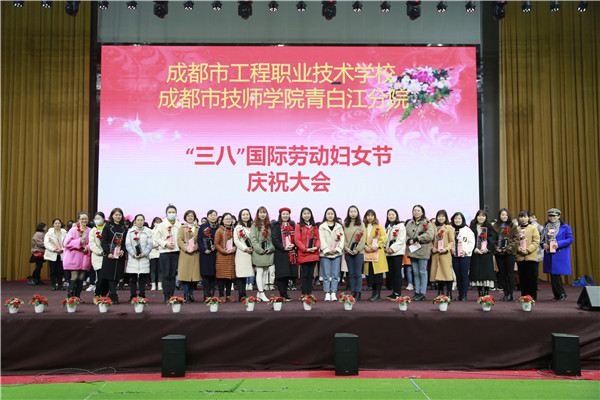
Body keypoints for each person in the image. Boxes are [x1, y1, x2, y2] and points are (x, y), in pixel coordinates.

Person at [542, 208, 573, 301]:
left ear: (559, 216)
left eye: (554, 216)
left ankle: (561, 293)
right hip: (549, 253)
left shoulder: (565, 227)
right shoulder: (546, 227)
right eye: (550, 216)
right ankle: (557, 294)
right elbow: (542, 239)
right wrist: (543, 244)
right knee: (552, 275)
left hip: (559, 253)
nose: (552, 218)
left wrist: (559, 244)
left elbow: (570, 239)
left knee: (556, 274)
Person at [99, 208, 128, 304]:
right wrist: (108, 252)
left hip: (119, 256)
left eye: (119, 215)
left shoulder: (124, 228)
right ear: (112, 216)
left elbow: (126, 242)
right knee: (109, 276)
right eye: (116, 215)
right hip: (109, 255)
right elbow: (103, 241)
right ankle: (113, 294)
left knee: (117, 276)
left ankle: (112, 293)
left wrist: (123, 250)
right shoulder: (108, 226)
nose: (118, 216)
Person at [153, 205, 182, 303]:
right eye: (169, 212)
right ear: (166, 213)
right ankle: (166, 295)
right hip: (165, 252)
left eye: (173, 212)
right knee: (166, 275)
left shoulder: (179, 225)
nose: (171, 214)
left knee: (172, 275)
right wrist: (165, 244)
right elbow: (156, 238)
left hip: (175, 252)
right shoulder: (161, 225)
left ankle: (172, 295)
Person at [405, 205, 434, 301]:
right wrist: (408, 240)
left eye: (418, 210)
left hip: (422, 251)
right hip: (413, 250)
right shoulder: (409, 223)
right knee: (415, 272)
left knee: (422, 272)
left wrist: (417, 238)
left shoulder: (427, 222)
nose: (416, 212)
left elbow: (430, 235)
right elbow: (405, 234)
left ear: (422, 212)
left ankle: (422, 293)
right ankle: (417, 292)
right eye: (414, 210)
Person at [63, 212, 92, 299]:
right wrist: (79, 242)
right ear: (78, 220)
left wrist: (87, 247)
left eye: (86, 219)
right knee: (74, 276)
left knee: (81, 277)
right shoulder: (73, 230)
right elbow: (66, 243)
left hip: (85, 257)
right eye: (82, 219)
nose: (84, 220)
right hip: (74, 257)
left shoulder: (90, 230)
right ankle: (70, 297)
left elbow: (92, 243)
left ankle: (77, 297)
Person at [468, 210, 497, 297]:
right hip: (476, 253)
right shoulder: (472, 228)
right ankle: (480, 292)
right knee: (477, 273)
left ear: (486, 217)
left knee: (487, 273)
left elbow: (492, 239)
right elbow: (470, 240)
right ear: (476, 217)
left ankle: (487, 292)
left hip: (486, 254)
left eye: (483, 216)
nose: (481, 218)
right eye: (479, 216)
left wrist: (486, 249)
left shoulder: (490, 228)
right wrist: (475, 249)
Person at [493, 208, 519, 301]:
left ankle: (510, 294)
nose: (504, 216)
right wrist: (496, 247)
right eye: (502, 215)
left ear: (508, 216)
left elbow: (516, 240)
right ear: (499, 216)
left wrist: (507, 248)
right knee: (502, 274)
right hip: (499, 253)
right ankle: (505, 293)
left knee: (510, 273)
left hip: (509, 253)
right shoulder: (495, 226)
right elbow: (492, 239)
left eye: (506, 215)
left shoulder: (513, 226)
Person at [271, 207, 298, 301]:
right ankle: (282, 294)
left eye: (287, 214)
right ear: (280, 215)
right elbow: (275, 239)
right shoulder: (277, 226)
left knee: (287, 275)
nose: (285, 216)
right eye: (284, 214)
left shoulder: (292, 225)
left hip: (291, 253)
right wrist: (283, 247)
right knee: (281, 275)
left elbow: (296, 237)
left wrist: (293, 244)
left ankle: (286, 294)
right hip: (281, 253)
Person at [362, 209, 388, 302]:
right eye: (368, 215)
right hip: (368, 253)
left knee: (377, 274)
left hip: (377, 253)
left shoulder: (379, 226)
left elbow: (383, 238)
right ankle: (373, 292)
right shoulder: (363, 227)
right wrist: (365, 246)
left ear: (374, 217)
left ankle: (378, 294)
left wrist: (376, 246)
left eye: (372, 215)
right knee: (370, 274)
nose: (370, 217)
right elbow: (360, 238)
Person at [249, 206, 275, 302]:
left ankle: (260, 293)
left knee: (265, 272)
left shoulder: (269, 225)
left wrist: (270, 248)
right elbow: (253, 239)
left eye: (264, 212)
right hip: (258, 252)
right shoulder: (254, 225)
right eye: (261, 212)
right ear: (258, 214)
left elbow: (272, 239)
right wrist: (259, 250)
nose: (262, 214)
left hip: (268, 252)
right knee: (259, 272)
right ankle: (261, 292)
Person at [319, 207, 344, 301]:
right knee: (326, 275)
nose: (330, 215)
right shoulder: (322, 226)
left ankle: (333, 292)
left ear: (334, 215)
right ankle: (327, 293)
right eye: (328, 214)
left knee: (335, 275)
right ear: (325, 215)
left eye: (332, 214)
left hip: (336, 254)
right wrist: (326, 249)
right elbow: (321, 239)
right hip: (325, 254)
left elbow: (342, 239)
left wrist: (337, 249)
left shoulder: (339, 226)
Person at [125, 214, 153, 300]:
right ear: (135, 221)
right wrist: (133, 254)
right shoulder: (130, 231)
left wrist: (144, 253)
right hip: (133, 258)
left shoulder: (148, 231)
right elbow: (128, 244)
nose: (140, 222)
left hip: (144, 258)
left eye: (141, 220)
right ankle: (133, 296)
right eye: (138, 220)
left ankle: (142, 295)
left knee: (143, 279)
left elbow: (150, 244)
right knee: (133, 279)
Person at [295, 207, 320, 297]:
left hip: (313, 253)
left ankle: (309, 293)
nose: (306, 215)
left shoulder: (314, 226)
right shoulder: (299, 226)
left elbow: (318, 239)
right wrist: (305, 249)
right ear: (301, 215)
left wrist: (316, 247)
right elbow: (297, 240)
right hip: (303, 254)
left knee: (311, 275)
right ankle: (304, 293)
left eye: (308, 213)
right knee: (304, 275)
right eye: (304, 214)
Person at [515, 210, 541, 300]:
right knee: (522, 277)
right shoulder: (517, 229)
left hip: (531, 257)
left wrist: (528, 250)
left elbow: (536, 241)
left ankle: (532, 296)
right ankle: (524, 295)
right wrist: (519, 248)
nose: (523, 219)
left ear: (528, 218)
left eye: (525, 217)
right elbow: (514, 241)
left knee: (532, 277)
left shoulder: (533, 228)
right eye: (521, 217)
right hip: (520, 257)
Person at [343, 205, 367, 301]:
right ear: (348, 213)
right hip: (348, 252)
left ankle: (358, 292)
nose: (353, 213)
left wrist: (357, 250)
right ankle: (352, 292)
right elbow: (343, 238)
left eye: (354, 211)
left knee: (358, 274)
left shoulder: (361, 224)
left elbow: (363, 238)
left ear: (357, 213)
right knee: (351, 274)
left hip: (359, 253)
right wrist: (346, 248)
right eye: (351, 212)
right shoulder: (345, 224)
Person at [450, 212, 475, 301]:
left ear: (463, 220)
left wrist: (465, 251)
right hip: (454, 256)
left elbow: (471, 243)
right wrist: (451, 249)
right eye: (456, 218)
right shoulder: (451, 229)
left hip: (465, 256)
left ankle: (464, 294)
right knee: (457, 275)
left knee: (464, 275)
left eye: (459, 218)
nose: (457, 220)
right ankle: (460, 294)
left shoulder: (467, 230)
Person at [176, 211, 200, 303]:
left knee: (193, 276)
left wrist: (196, 246)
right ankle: (186, 294)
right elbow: (179, 239)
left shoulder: (198, 228)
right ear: (185, 217)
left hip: (195, 254)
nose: (190, 217)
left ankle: (191, 294)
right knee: (185, 276)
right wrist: (186, 248)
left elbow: (200, 240)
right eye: (188, 216)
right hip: (185, 254)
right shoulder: (182, 228)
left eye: (192, 216)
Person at [430, 210, 455, 298]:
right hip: (436, 254)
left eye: (442, 216)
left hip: (445, 254)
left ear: (446, 217)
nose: (441, 218)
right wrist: (432, 248)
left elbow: (451, 241)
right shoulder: (433, 227)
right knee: (438, 273)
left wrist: (446, 249)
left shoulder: (449, 227)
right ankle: (440, 292)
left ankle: (449, 293)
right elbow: (431, 240)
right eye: (439, 216)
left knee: (447, 273)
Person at [383, 209, 406, 300]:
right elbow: (386, 240)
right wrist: (385, 248)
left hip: (397, 253)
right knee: (391, 273)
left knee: (397, 273)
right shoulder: (388, 227)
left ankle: (398, 293)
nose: (391, 216)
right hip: (388, 254)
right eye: (389, 215)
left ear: (396, 215)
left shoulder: (401, 226)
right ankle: (394, 292)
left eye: (393, 214)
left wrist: (392, 249)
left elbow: (401, 240)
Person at [215, 212, 237, 302]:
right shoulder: (219, 230)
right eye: (226, 219)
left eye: (229, 219)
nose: (228, 220)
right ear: (222, 221)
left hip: (231, 256)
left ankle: (228, 295)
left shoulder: (234, 230)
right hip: (222, 256)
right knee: (221, 277)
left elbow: (236, 242)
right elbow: (216, 244)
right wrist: (224, 251)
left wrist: (235, 248)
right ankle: (221, 295)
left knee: (229, 277)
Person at [233, 208, 254, 301]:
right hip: (242, 253)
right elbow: (236, 241)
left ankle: (244, 294)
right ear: (240, 216)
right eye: (243, 215)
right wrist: (245, 248)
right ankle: (241, 294)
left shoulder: (253, 227)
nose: (245, 216)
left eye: (247, 214)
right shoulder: (238, 228)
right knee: (240, 274)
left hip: (251, 253)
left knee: (246, 274)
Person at [198, 210, 219, 301]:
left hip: (215, 254)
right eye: (211, 215)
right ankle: (206, 294)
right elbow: (199, 240)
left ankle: (212, 294)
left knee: (213, 275)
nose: (213, 217)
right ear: (207, 217)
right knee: (205, 275)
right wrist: (204, 249)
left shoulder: (218, 227)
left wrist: (216, 247)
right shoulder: (203, 227)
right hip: (205, 255)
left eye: (215, 215)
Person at [44, 219, 67, 291]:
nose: (57, 225)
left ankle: (60, 285)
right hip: (52, 254)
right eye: (56, 223)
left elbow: (67, 242)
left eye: (59, 223)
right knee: (53, 270)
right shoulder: (49, 233)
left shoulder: (64, 232)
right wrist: (54, 249)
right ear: (53, 224)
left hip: (61, 253)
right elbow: (46, 244)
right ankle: (53, 285)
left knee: (60, 270)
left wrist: (63, 249)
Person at [87, 212, 106, 296]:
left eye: (99, 218)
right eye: (96, 219)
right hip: (98, 256)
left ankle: (104, 295)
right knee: (100, 277)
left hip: (108, 256)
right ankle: (97, 293)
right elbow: (92, 244)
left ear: (103, 219)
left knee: (106, 279)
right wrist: (100, 251)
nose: (98, 220)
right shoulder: (93, 231)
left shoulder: (107, 228)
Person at [149, 217, 163, 291]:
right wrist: (155, 245)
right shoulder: (151, 231)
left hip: (160, 251)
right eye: (156, 222)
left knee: (160, 269)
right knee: (153, 269)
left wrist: (159, 245)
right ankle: (153, 284)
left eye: (159, 222)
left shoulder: (163, 231)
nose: (158, 224)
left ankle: (160, 284)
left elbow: (163, 240)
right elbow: (149, 241)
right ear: (153, 223)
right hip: (153, 252)